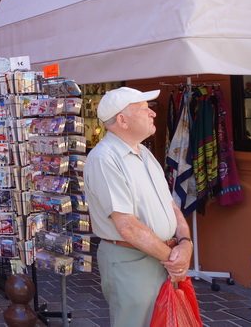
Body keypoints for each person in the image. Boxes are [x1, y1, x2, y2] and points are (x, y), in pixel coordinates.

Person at [83, 87, 193, 326]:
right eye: (144, 109)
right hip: (131, 260)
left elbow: (171, 204)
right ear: (122, 120)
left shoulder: (144, 153)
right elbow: (128, 227)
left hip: (162, 256)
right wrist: (175, 259)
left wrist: (185, 243)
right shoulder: (105, 159)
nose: (152, 114)